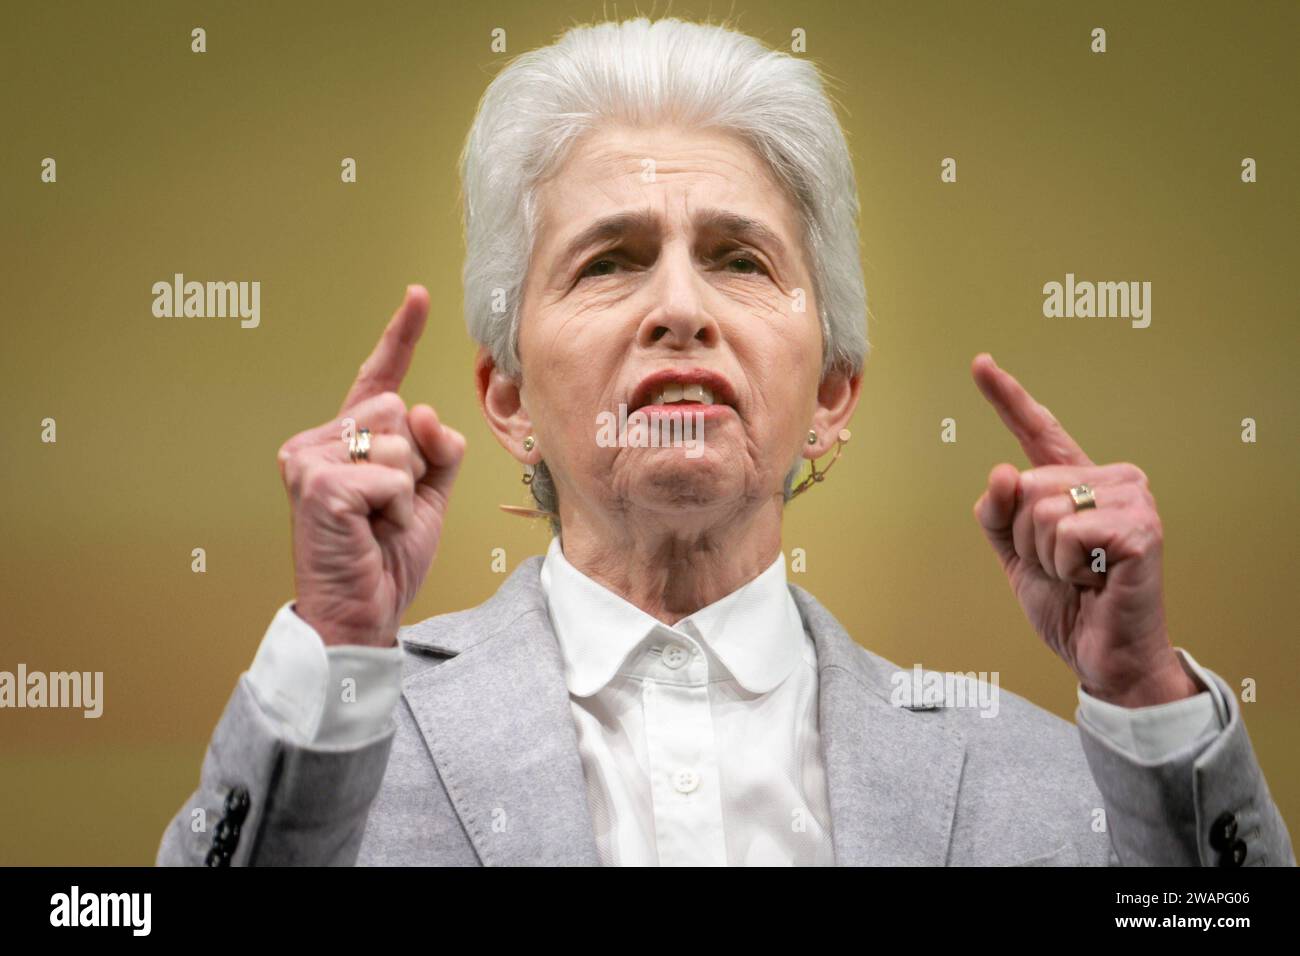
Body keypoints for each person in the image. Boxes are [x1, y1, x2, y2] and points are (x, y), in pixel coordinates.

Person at [157, 17, 1293, 866]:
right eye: (608, 259)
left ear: (833, 391)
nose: (680, 308)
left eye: (741, 259)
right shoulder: (332, 735)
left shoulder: (1045, 778)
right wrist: (340, 653)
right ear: (504, 396)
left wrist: (1142, 696)